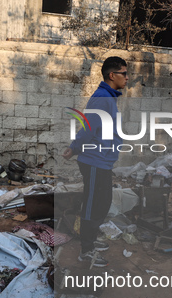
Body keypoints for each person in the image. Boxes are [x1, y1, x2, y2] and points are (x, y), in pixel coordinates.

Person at [62, 56, 128, 266]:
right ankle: (86, 250)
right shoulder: (102, 98)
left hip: (103, 162)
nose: (127, 78)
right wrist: (73, 148)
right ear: (112, 75)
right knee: (92, 206)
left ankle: (90, 239)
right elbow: (88, 129)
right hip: (93, 161)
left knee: (102, 203)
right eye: (124, 74)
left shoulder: (109, 97)